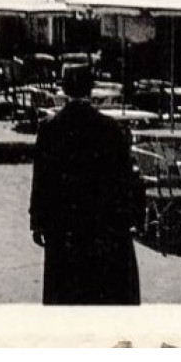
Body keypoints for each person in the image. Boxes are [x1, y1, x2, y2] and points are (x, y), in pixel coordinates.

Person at [29, 63, 142, 305]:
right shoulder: (111, 128)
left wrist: (37, 221)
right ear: (91, 89)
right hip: (101, 222)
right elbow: (123, 179)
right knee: (99, 287)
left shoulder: (49, 128)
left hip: (63, 223)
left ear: (63, 89)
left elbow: (41, 179)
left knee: (65, 288)